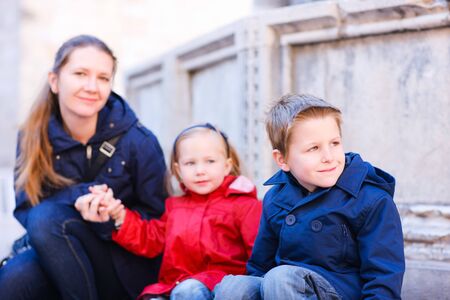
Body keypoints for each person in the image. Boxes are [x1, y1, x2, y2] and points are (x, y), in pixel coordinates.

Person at [0, 35, 167, 300]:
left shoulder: (139, 141)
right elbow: (26, 209)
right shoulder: (32, 136)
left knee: (45, 218)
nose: (92, 86)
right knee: (14, 280)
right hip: (60, 250)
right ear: (54, 81)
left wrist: (114, 216)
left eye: (103, 78)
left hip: (124, 267)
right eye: (80, 73)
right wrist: (81, 197)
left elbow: (161, 221)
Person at [214, 94, 405, 299]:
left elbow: (383, 277)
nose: (329, 157)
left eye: (334, 143)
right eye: (314, 148)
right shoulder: (275, 199)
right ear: (282, 159)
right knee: (235, 286)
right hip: (284, 289)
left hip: (341, 292)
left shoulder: (370, 200)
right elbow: (260, 264)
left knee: (280, 278)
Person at [77, 123, 262, 300]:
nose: (200, 171)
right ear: (178, 170)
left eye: (210, 161)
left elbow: (260, 252)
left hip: (223, 287)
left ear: (227, 166)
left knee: (188, 291)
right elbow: (151, 239)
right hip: (175, 285)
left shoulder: (244, 205)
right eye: (190, 163)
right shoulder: (174, 207)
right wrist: (120, 216)